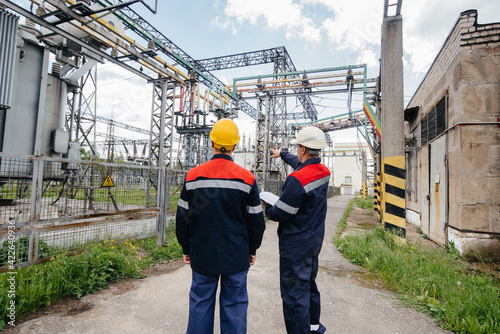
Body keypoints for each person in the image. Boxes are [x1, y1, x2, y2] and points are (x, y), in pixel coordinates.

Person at [176, 118, 266, 334]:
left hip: (202, 253)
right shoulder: (247, 178)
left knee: (200, 303)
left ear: (211, 142)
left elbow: (183, 218)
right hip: (236, 255)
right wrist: (252, 249)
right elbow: (256, 221)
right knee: (234, 305)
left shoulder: (193, 176)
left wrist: (186, 249)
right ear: (235, 145)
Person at [263, 126, 330, 334]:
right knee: (309, 286)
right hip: (313, 243)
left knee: (293, 296)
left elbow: (280, 213)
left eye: (298, 147)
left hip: (295, 246)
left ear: (302, 149)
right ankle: (313, 327)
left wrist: (268, 208)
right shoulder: (323, 172)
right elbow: (300, 164)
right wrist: (281, 154)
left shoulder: (296, 181)